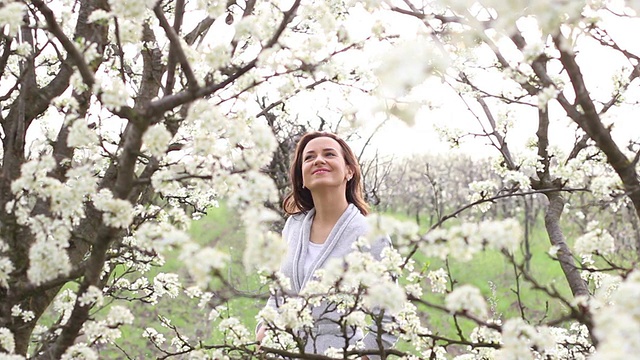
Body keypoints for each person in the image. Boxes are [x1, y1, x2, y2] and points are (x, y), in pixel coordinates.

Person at [256, 131, 397, 360]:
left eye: (329, 154)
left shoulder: (370, 233)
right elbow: (279, 290)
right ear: (301, 176)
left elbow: (390, 312)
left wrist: (366, 356)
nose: (319, 160)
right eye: (309, 157)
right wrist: (264, 328)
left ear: (349, 171)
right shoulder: (293, 225)